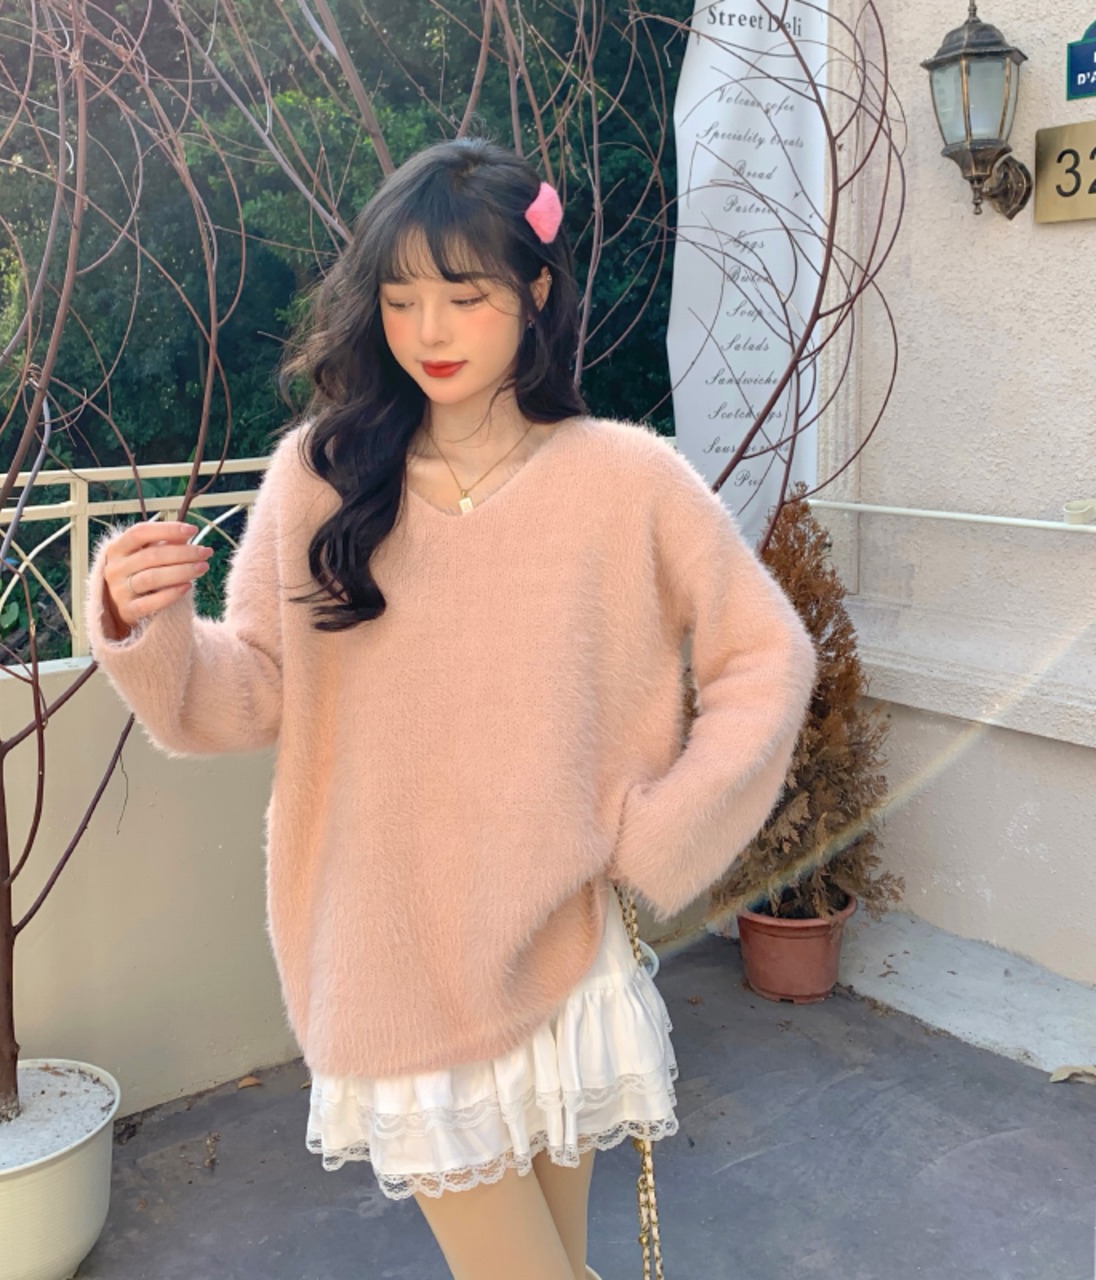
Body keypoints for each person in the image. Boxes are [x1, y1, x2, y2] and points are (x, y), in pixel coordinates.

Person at [85, 137, 819, 1280]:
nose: (427, 329)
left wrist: (662, 832)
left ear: (534, 292)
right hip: (395, 965)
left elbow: (766, 655)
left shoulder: (623, 478)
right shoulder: (320, 477)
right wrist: (146, 626)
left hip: (560, 949)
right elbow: (248, 694)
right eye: (399, 297)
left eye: (463, 295)